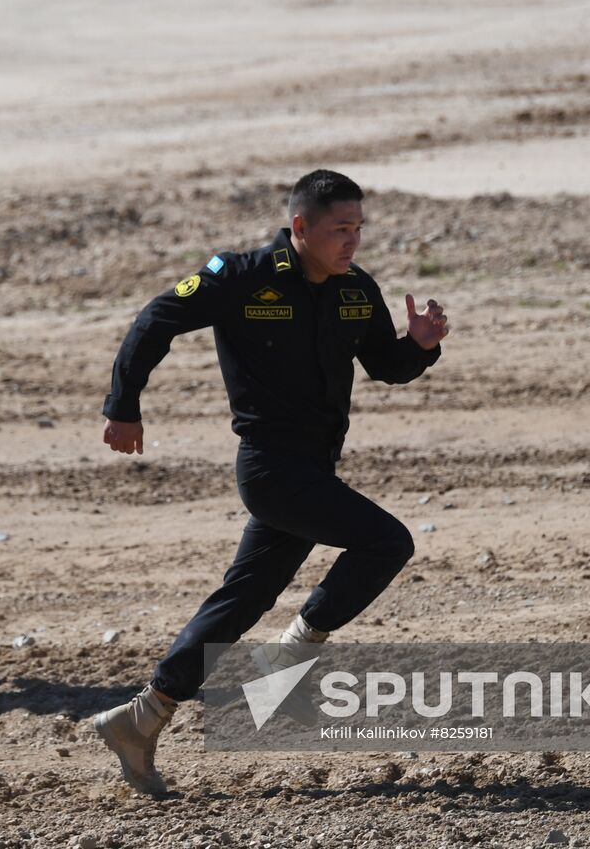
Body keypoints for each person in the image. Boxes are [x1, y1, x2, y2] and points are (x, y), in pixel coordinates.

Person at [92, 170, 449, 793]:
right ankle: (287, 661)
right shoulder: (241, 276)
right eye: (340, 228)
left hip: (312, 470)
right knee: (387, 541)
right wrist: (124, 405)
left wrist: (418, 346)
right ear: (300, 226)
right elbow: (156, 319)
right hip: (270, 470)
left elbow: (385, 365)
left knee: (242, 599)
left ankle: (141, 717)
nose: (352, 240)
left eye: (358, 228)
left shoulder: (356, 290)